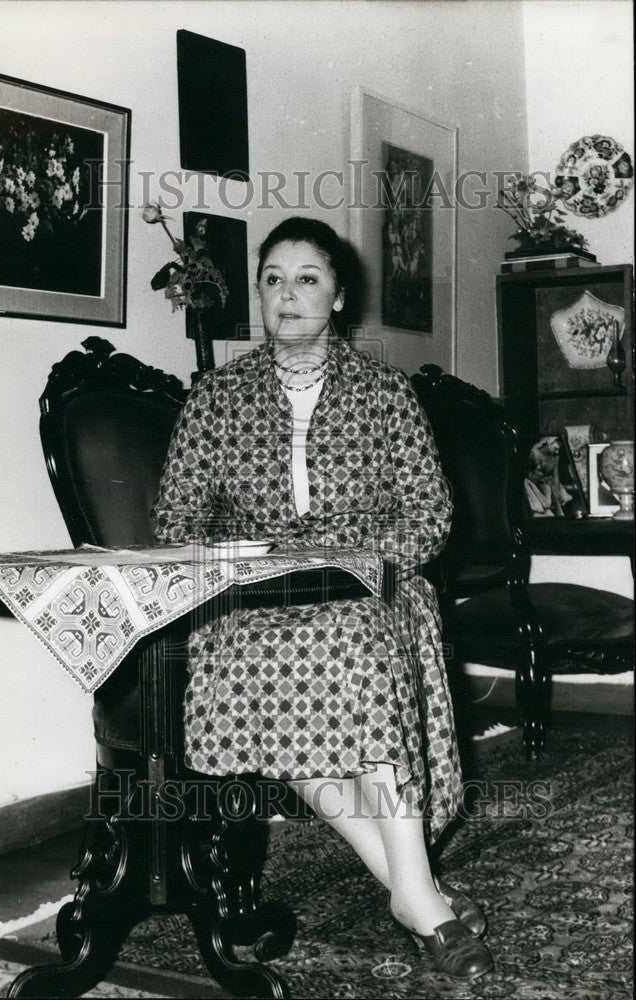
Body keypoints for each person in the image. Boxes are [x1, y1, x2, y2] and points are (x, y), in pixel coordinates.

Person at [152, 216, 493, 982]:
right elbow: (176, 519)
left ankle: (417, 897)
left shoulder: (385, 393)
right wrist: (242, 562)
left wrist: (358, 564)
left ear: (337, 296)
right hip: (253, 607)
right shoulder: (217, 396)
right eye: (272, 278)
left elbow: (429, 515)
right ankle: (418, 897)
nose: (287, 294)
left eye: (306, 278)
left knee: (358, 647)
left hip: (365, 594)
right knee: (282, 680)